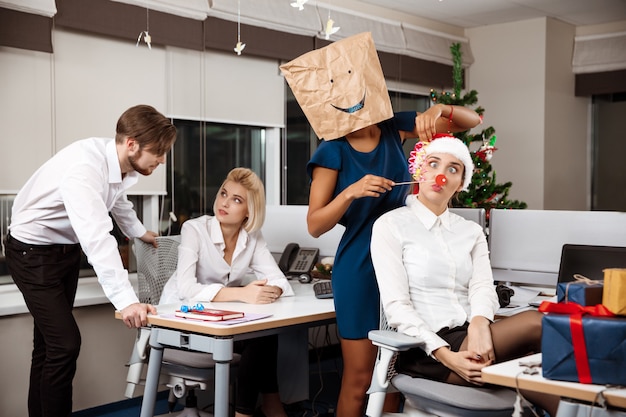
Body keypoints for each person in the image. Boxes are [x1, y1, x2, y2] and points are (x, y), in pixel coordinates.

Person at [306, 104, 482, 417]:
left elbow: (471, 122)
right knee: (360, 379)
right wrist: (350, 193)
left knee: (393, 377)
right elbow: (315, 225)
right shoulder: (332, 149)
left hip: (407, 259)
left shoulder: (393, 125)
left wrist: (440, 108)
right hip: (360, 267)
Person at [4, 104, 177, 417]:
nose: (162, 160)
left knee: (48, 347)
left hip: (64, 252)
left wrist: (139, 232)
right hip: (32, 252)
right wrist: (126, 302)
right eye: (159, 152)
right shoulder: (85, 169)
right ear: (132, 144)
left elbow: (117, 201)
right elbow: (97, 240)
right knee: (64, 345)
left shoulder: (115, 164)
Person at [370, 135, 560, 416]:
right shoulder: (391, 225)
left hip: (476, 337)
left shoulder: (469, 231)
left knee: (548, 381)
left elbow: (482, 286)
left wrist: (480, 325)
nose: (441, 175)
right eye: (433, 164)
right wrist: (447, 357)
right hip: (428, 348)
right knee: (538, 324)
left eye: (453, 169)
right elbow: (397, 308)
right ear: (419, 170)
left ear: (461, 183)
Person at [160, 167, 294, 417]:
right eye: (224, 194)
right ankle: (265, 407)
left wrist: (269, 290)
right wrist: (242, 294)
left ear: (249, 212)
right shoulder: (194, 230)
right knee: (260, 337)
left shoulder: (252, 237)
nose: (224, 202)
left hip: (219, 323)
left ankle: (260, 408)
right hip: (181, 322)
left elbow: (280, 280)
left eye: (236, 200)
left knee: (264, 332)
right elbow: (186, 289)